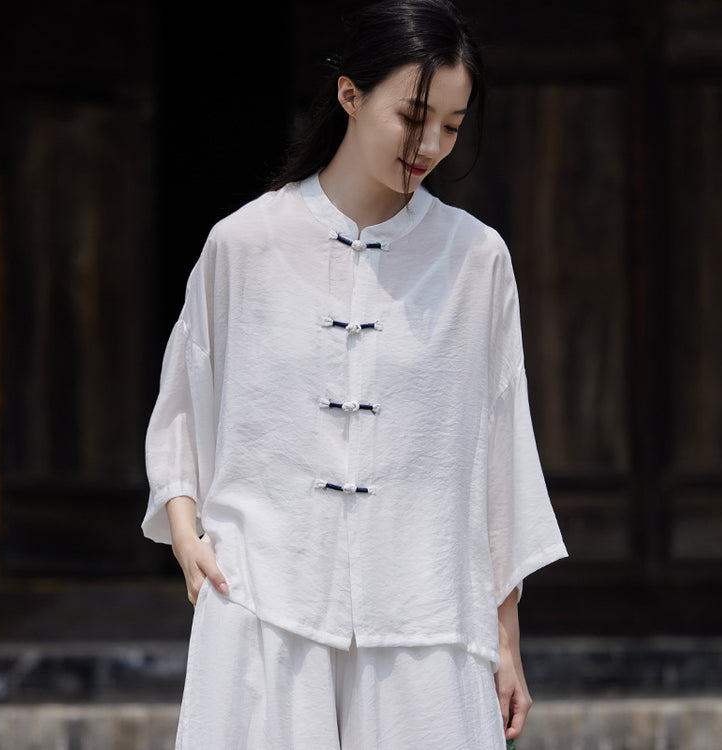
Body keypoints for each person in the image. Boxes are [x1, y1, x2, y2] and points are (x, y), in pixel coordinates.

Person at [142, 0, 568, 747]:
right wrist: (186, 536)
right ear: (350, 94)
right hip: (262, 603)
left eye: (452, 126)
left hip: (427, 617)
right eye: (413, 117)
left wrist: (505, 637)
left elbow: (500, 449)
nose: (431, 145)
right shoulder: (243, 244)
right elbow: (184, 397)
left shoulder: (476, 260)